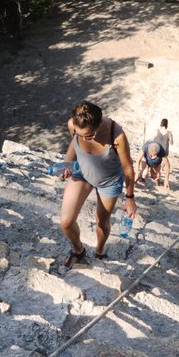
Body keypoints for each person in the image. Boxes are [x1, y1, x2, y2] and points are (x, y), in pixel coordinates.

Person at [57, 100, 137, 268]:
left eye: (89, 135)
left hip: (109, 182)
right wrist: (67, 162)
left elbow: (128, 169)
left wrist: (129, 198)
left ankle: (99, 250)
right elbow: (74, 141)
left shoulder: (117, 135)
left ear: (99, 124)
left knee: (102, 221)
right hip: (83, 173)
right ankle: (78, 250)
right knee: (66, 221)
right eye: (80, 134)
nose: (83, 138)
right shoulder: (73, 125)